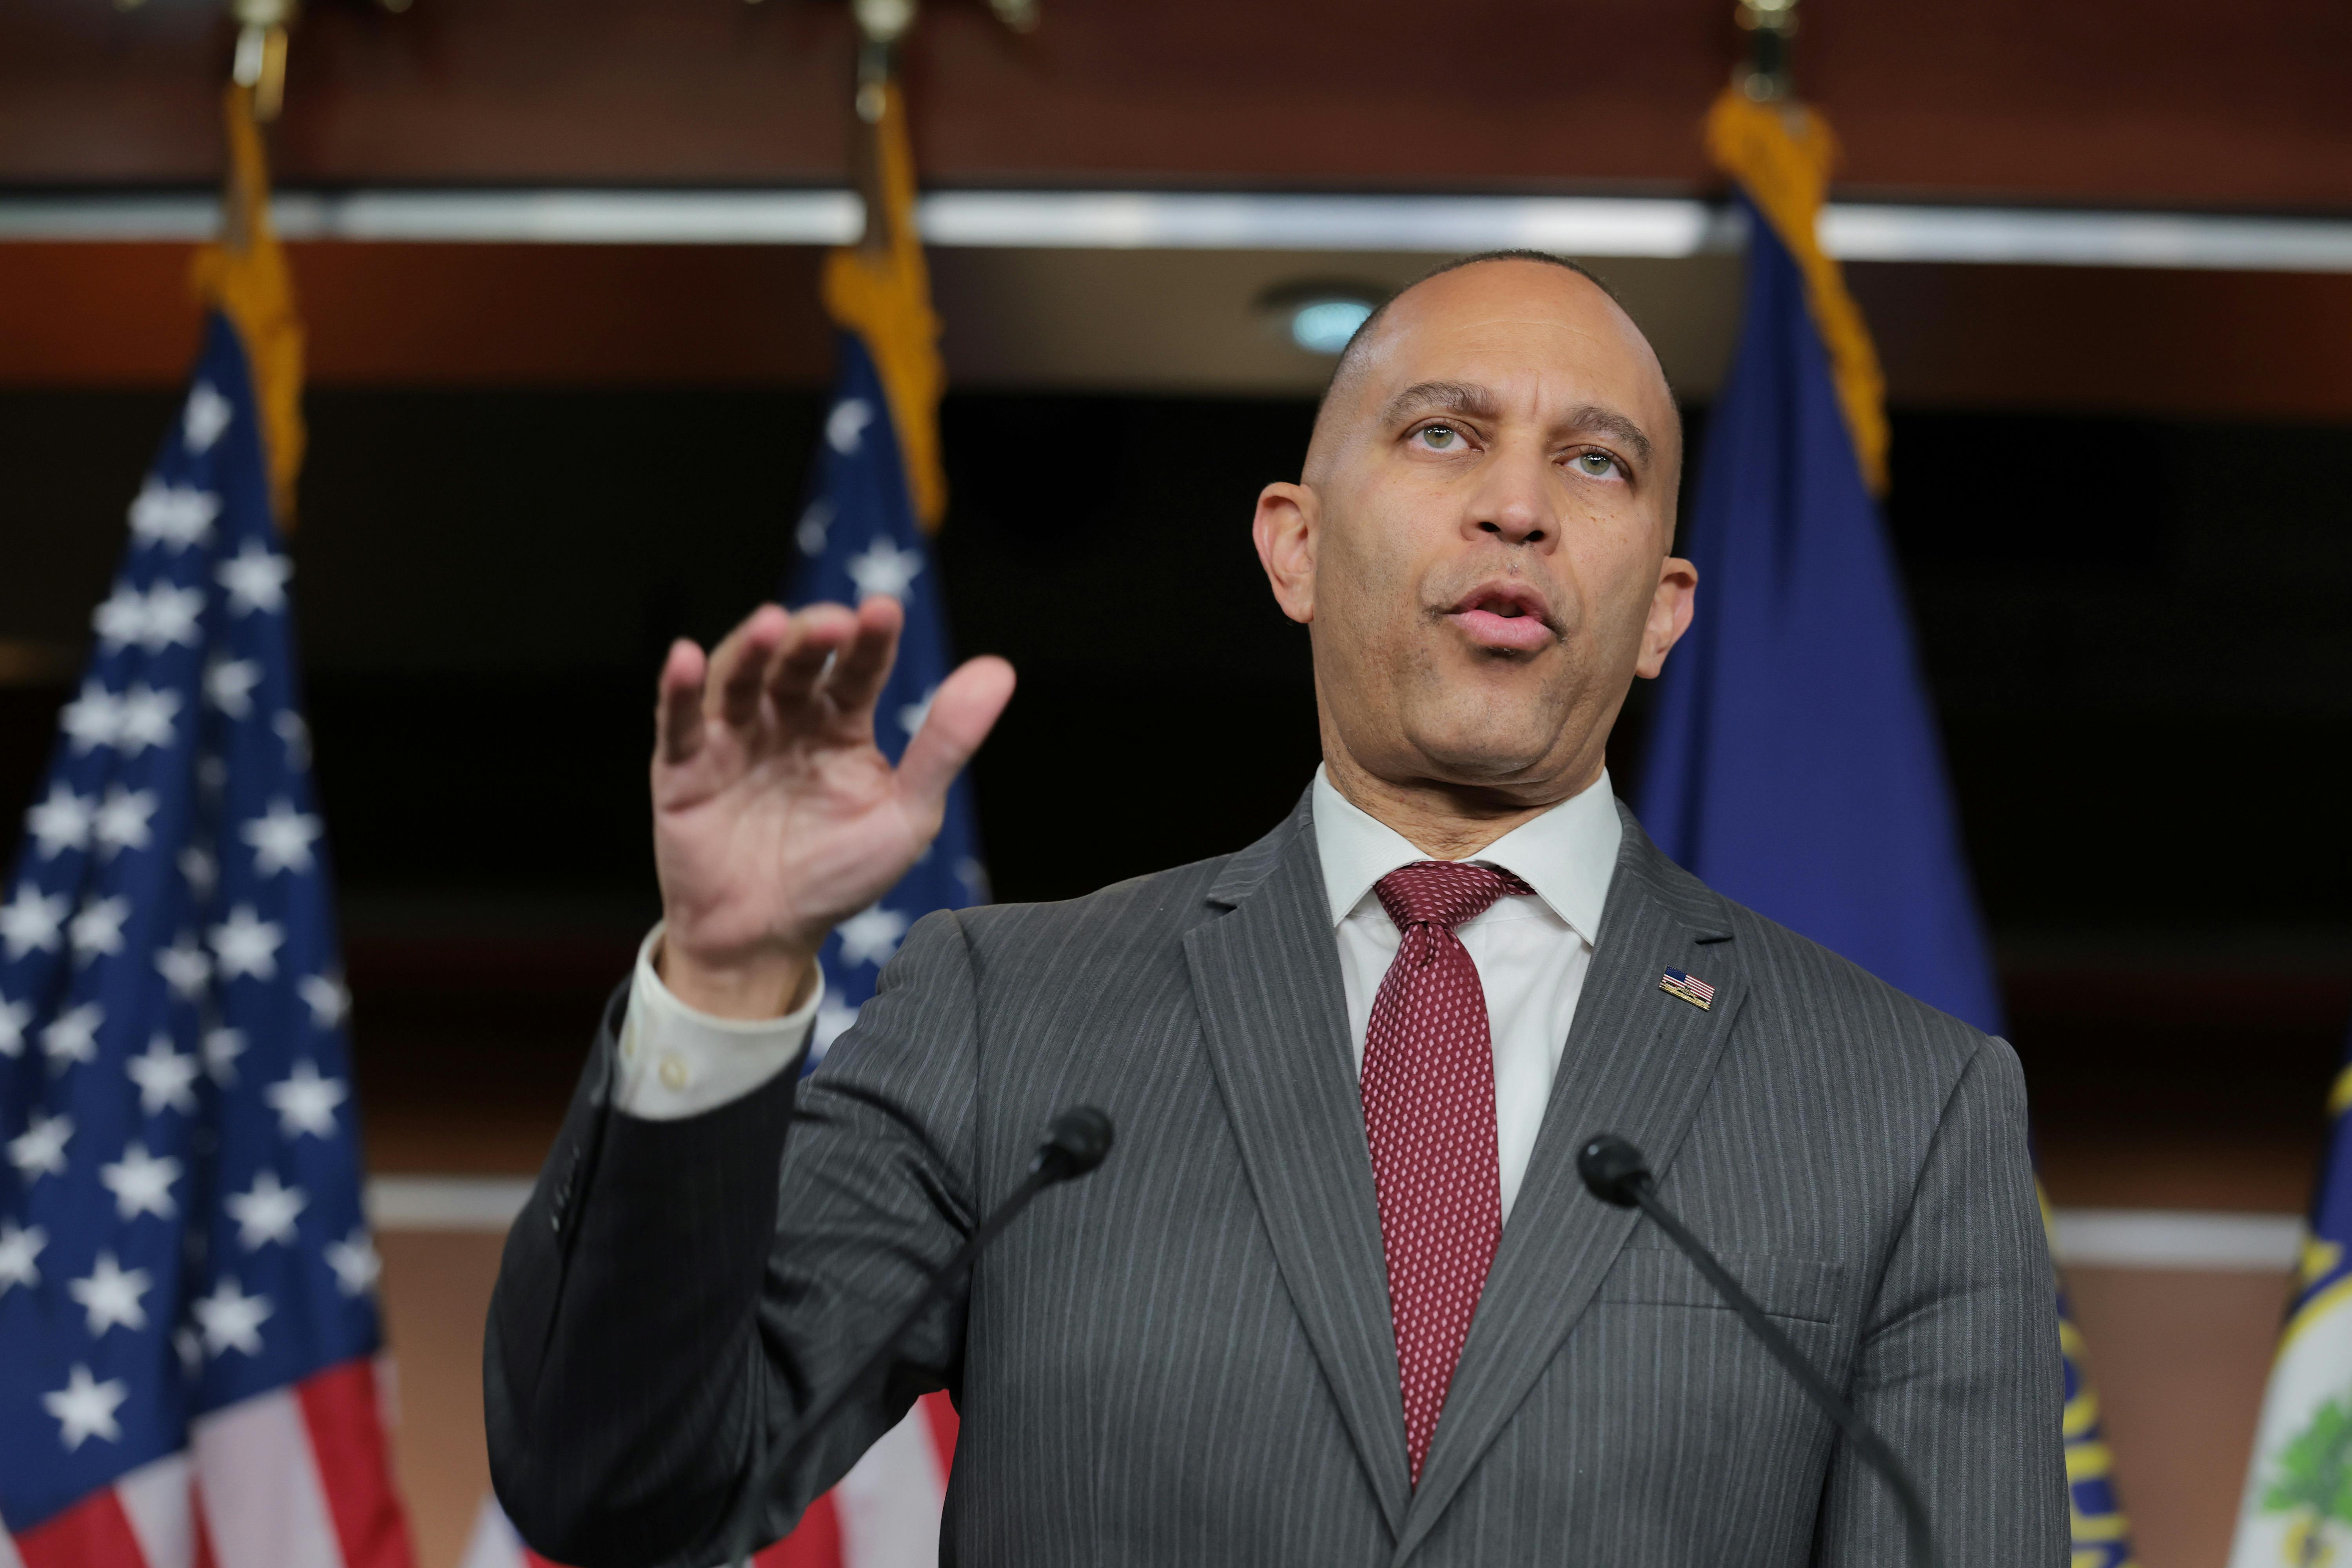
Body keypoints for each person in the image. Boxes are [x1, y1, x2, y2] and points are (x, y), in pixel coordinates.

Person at [484, 252, 2065, 1566]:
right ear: (1292, 547)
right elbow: (627, 1486)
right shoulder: (1010, 1014)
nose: (1519, 506)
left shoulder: (1903, 1108)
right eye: (1443, 434)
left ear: (1662, 610)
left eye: (1597, 461)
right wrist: (729, 969)